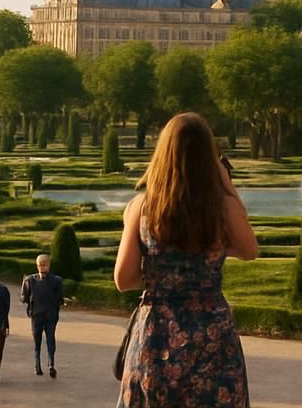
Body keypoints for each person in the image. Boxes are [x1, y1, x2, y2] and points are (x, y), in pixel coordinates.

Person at [114, 112, 260, 408]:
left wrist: (164, 279)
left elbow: (123, 279)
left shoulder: (141, 206)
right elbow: (249, 250)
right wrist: (227, 185)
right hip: (212, 337)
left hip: (157, 336)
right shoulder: (223, 207)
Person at [20, 252, 65, 377]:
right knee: (50, 338)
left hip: (36, 313)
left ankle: (37, 365)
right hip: (50, 314)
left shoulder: (29, 280)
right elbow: (60, 299)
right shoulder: (57, 280)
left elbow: (23, 298)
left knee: (37, 342)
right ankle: (51, 364)